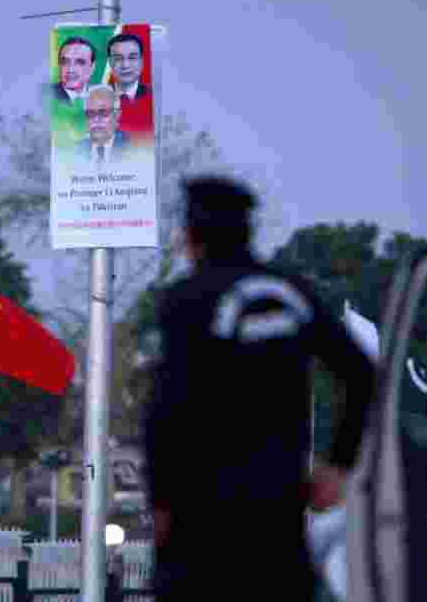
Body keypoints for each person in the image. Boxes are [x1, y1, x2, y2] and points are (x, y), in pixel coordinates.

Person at [142, 175, 377, 601]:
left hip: (202, 525)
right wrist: (339, 465)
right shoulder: (293, 293)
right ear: (248, 230)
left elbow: (164, 410)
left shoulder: (187, 299)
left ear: (192, 236)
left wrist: (160, 502)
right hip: (280, 515)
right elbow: (361, 374)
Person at [106, 32, 153, 140]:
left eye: (132, 58)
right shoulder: (97, 100)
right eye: (118, 58)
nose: (125, 65)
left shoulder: (154, 97)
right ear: (109, 62)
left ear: (142, 61)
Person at [73, 85, 132, 167]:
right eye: (90, 113)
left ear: (117, 115)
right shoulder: (75, 151)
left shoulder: (133, 146)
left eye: (103, 112)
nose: (96, 119)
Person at [52, 36, 96, 104]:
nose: (71, 69)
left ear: (92, 68)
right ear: (59, 65)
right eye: (65, 62)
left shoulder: (100, 95)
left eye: (80, 62)